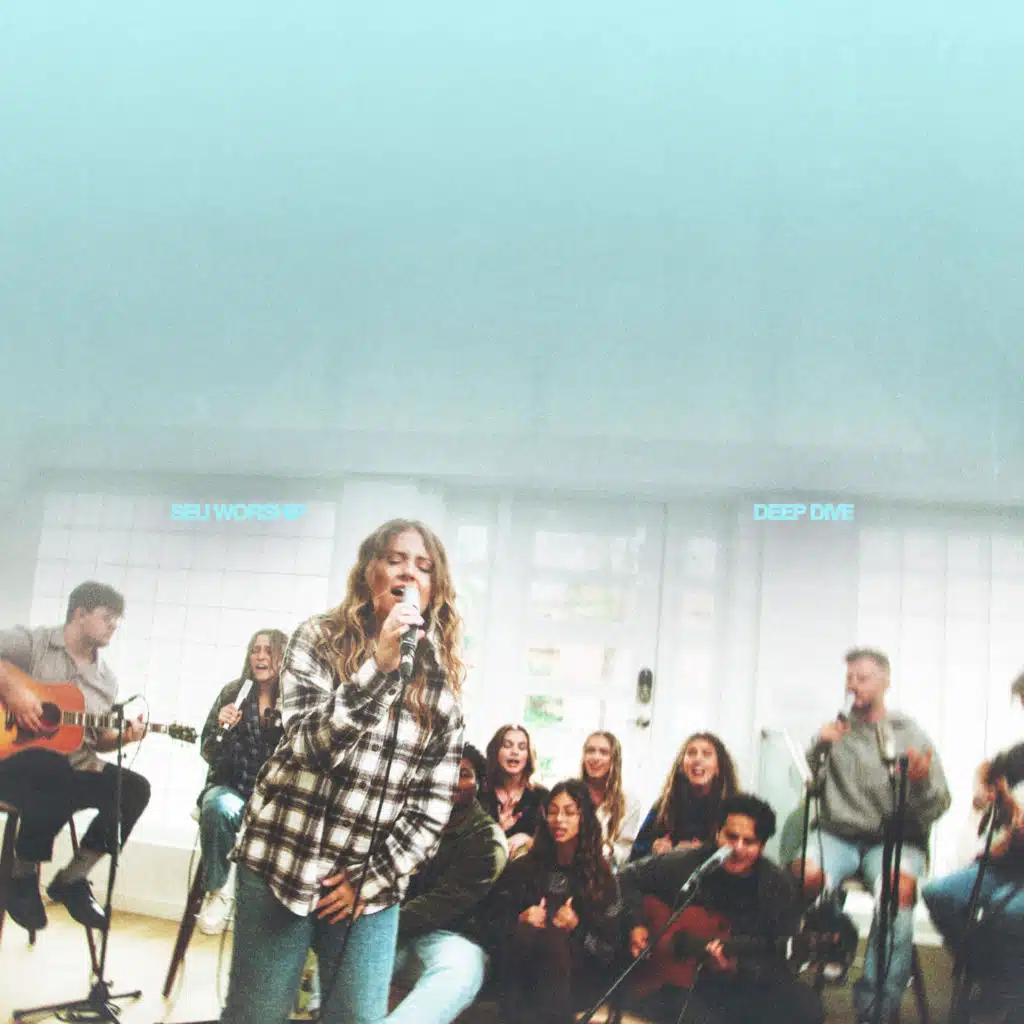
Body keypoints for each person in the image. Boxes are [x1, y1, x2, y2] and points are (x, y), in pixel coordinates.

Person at [219, 520, 466, 1024]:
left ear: (434, 589)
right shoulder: (317, 638)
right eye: (395, 559)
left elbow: (432, 805)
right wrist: (379, 667)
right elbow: (309, 745)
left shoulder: (441, 681)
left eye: (423, 567)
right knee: (256, 1014)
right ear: (369, 572)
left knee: (356, 1016)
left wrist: (368, 880)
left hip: (367, 886)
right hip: (282, 860)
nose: (409, 573)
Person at [790, 648, 951, 1023]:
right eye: (849, 678)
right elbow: (806, 785)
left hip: (893, 840)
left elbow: (939, 803)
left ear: (885, 682)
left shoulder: (909, 733)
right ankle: (830, 942)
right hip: (837, 834)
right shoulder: (836, 730)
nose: (853, 686)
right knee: (802, 877)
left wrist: (920, 782)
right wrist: (819, 747)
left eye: (862, 678)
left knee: (897, 890)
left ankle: (876, 1009)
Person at [0, 581, 150, 932]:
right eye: (107, 617)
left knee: (133, 788)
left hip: (68, 771)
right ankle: (21, 874)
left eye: (118, 620)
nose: (114, 625)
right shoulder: (32, 643)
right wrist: (13, 688)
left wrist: (124, 738)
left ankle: (72, 880)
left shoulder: (105, 680)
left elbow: (95, 741)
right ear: (80, 613)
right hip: (11, 765)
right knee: (51, 766)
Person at [619, 793, 824, 1024]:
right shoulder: (688, 863)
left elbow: (776, 965)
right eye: (731, 837)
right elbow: (627, 876)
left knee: (805, 1005)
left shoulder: (776, 887)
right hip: (677, 983)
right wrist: (636, 923)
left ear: (762, 846)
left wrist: (735, 969)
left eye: (749, 842)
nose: (737, 848)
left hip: (741, 985)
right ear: (717, 833)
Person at [922, 670, 1024, 1010]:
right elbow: (986, 770)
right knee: (940, 895)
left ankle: (1009, 995)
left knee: (1011, 914)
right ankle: (993, 978)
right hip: (1008, 863)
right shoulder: (1020, 754)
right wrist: (984, 790)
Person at [488, 778, 628, 1024]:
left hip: (578, 979)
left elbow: (609, 951)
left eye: (569, 812)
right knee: (528, 936)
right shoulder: (524, 868)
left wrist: (576, 928)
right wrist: (520, 920)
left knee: (554, 942)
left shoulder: (602, 878)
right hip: (525, 971)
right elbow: (493, 925)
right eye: (552, 812)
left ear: (584, 818)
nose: (559, 820)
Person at [387, 743, 508, 1023]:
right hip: (400, 934)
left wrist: (384, 922)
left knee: (459, 970)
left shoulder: (487, 839)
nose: (453, 781)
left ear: (480, 783)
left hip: (453, 939)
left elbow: (442, 903)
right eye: (446, 772)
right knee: (348, 946)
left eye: (464, 774)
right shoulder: (412, 822)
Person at [195, 627, 288, 934]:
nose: (260, 656)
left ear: (283, 657)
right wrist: (223, 727)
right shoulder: (232, 693)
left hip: (273, 800)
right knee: (217, 807)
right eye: (255, 650)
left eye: (269, 651)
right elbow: (207, 749)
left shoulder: (292, 700)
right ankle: (218, 890)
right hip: (231, 788)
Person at [630, 732, 739, 862]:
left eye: (706, 754)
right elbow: (635, 854)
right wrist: (654, 849)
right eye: (691, 753)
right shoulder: (664, 807)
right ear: (681, 766)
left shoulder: (734, 810)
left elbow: (739, 854)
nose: (698, 759)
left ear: (718, 767)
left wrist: (703, 852)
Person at [481, 723, 549, 860]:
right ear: (496, 751)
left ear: (528, 756)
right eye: (507, 745)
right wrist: (499, 830)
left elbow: (552, 843)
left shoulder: (541, 796)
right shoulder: (481, 793)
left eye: (522, 747)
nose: (515, 751)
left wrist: (529, 840)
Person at [580, 730, 640, 866]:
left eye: (603, 752)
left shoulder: (630, 801)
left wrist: (609, 849)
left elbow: (626, 850)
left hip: (606, 869)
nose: (595, 757)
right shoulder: (570, 793)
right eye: (590, 751)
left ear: (614, 759)